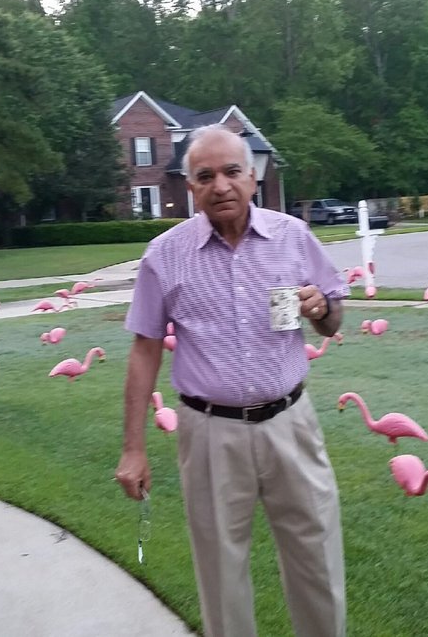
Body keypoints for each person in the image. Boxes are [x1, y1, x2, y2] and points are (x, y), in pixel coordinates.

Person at [116, 125, 348, 637]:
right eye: (205, 176)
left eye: (231, 172)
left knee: (318, 559)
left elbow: (333, 319)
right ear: (189, 185)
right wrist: (133, 447)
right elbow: (144, 349)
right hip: (209, 433)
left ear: (253, 176)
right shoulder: (165, 255)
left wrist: (321, 309)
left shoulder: (291, 237)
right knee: (220, 573)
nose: (220, 185)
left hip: (291, 424)